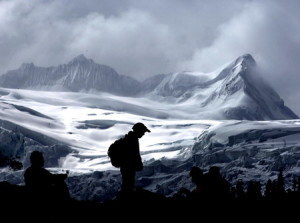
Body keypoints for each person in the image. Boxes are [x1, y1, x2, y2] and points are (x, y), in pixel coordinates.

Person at [118, 122, 150, 200]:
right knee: (128, 185)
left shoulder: (130, 138)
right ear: (138, 131)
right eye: (143, 132)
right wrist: (138, 164)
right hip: (128, 167)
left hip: (126, 166)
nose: (143, 134)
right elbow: (134, 154)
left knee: (127, 184)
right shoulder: (133, 140)